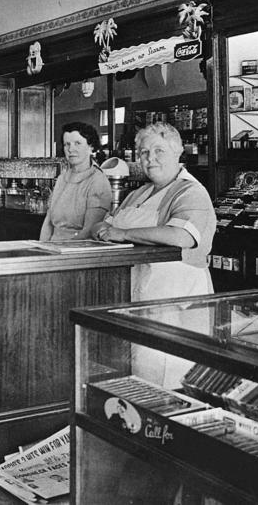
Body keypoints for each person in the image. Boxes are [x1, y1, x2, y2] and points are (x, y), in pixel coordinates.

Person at [92, 121, 216, 387]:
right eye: (144, 153)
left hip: (174, 302)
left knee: (169, 378)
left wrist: (122, 234)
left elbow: (182, 236)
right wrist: (103, 229)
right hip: (138, 298)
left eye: (159, 151)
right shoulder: (139, 192)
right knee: (139, 377)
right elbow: (104, 224)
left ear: (178, 152)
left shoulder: (191, 192)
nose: (151, 159)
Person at [39, 121, 112, 241]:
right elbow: (48, 223)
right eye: (67, 144)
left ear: (91, 147)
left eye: (77, 143)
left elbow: (89, 231)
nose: (70, 149)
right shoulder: (62, 178)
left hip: (77, 250)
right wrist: (42, 249)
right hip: (53, 248)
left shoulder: (97, 181)